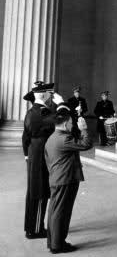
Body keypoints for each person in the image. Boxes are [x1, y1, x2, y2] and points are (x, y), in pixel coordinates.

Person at [45, 105, 93, 253]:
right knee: (62, 213)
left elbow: (48, 161)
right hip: (65, 179)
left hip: (56, 178)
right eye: (72, 123)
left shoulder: (51, 138)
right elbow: (86, 144)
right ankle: (58, 245)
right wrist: (84, 129)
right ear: (66, 123)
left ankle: (53, 242)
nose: (73, 125)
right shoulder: (65, 138)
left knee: (54, 211)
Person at [22, 83, 64, 239]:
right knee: (40, 191)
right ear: (44, 95)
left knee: (34, 191)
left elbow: (25, 137)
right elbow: (60, 120)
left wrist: (27, 155)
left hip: (34, 154)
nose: (51, 97)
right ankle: (36, 230)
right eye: (50, 94)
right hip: (40, 155)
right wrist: (61, 104)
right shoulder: (42, 112)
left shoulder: (31, 111)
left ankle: (31, 227)